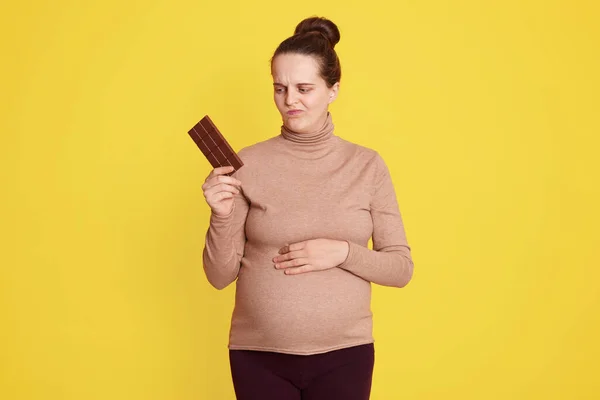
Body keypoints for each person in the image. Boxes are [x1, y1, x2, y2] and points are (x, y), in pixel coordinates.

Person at [200, 16, 414, 400]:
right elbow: (219, 276)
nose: (290, 101)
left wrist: (343, 252)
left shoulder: (366, 165)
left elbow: (400, 269)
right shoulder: (246, 164)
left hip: (345, 355)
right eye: (280, 89)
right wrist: (220, 216)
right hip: (258, 356)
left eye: (304, 88)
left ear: (333, 89)